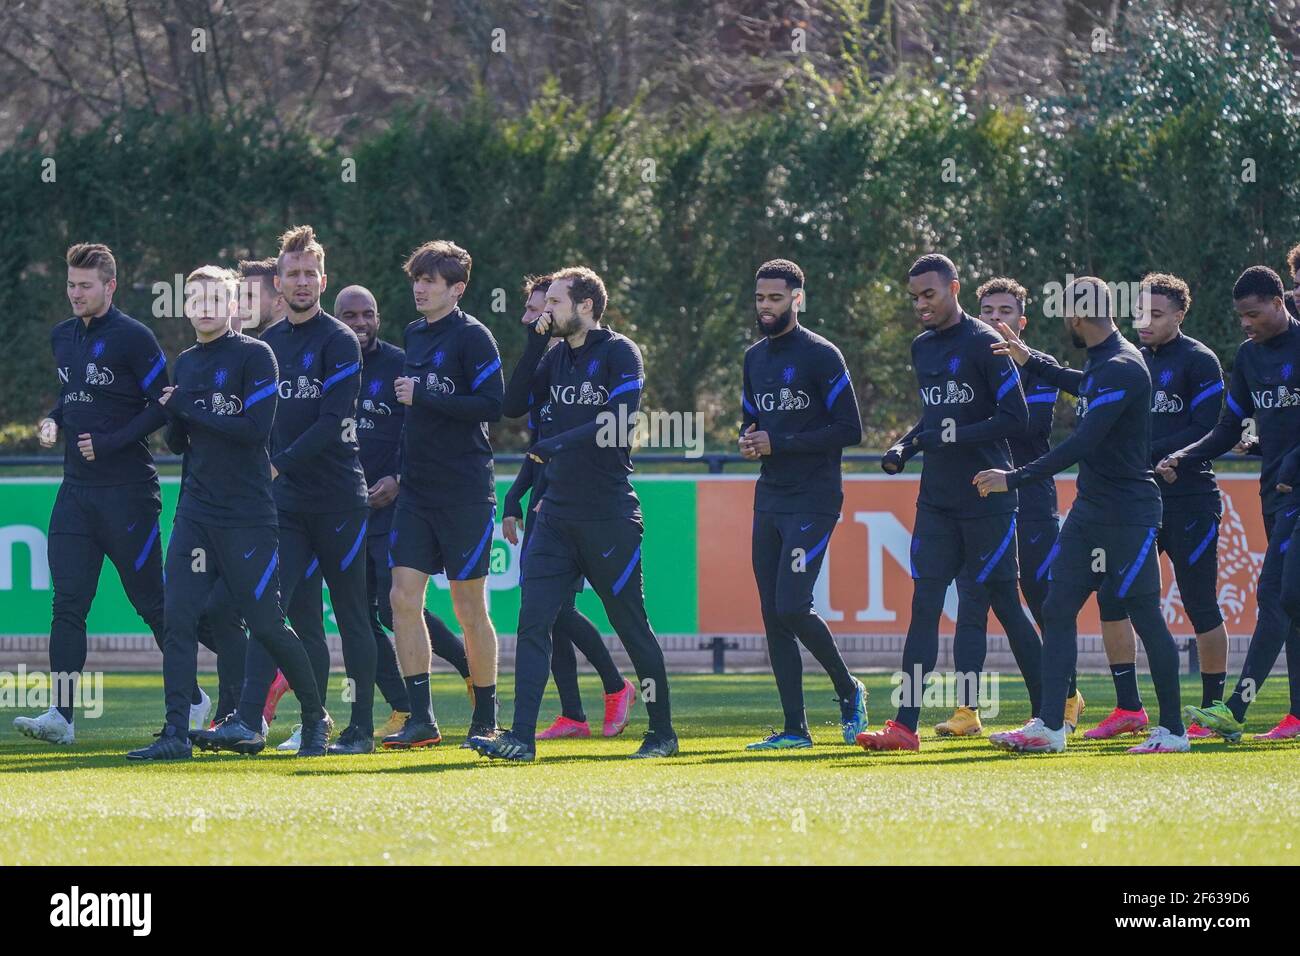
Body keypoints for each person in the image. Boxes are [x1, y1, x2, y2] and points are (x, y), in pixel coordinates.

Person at [976, 276, 1188, 755]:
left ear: (1076, 317)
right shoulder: (1101, 361)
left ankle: (1173, 732)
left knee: (1144, 615)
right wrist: (1031, 361)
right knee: (1056, 607)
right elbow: (1082, 384)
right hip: (1090, 511)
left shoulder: (1123, 366)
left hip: (1129, 515)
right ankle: (1051, 726)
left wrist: (1013, 477)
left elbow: (1081, 443)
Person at [472, 266, 677, 760]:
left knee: (631, 626)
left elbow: (619, 418)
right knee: (534, 621)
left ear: (585, 306)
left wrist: (555, 445)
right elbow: (513, 404)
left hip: (608, 514)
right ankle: (520, 737)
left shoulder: (619, 352)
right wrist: (531, 340)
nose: (547, 312)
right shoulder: (555, 355)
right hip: (557, 514)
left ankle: (662, 733)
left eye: (555, 303)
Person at [126, 267, 328, 760]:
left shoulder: (257, 355)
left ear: (234, 304)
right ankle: (175, 734)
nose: (205, 305)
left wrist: (188, 411)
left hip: (247, 515)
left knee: (265, 623)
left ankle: (315, 719)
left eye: (216, 297)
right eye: (195, 298)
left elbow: (254, 429)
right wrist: (174, 415)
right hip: (196, 511)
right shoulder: (188, 363)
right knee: (178, 618)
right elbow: (180, 441)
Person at [192, 225, 378, 756]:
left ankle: (360, 729)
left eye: (308, 274)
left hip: (340, 500)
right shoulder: (267, 346)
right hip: (286, 508)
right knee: (265, 609)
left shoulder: (339, 340)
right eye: (291, 274)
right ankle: (251, 721)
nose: (300, 282)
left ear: (323, 279)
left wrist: (275, 466)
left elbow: (330, 421)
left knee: (352, 616)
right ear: (278, 281)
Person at [859, 254, 1041, 753]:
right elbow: (932, 417)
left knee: (1005, 603)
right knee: (924, 606)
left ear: (954, 288)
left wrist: (955, 434)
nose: (921, 304)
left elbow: (1016, 417)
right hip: (936, 499)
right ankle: (904, 727)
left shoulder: (986, 341)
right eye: (915, 297)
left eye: (929, 294)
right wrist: (905, 444)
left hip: (988, 495)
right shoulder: (922, 349)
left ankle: (1050, 716)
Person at [14, 243, 191, 745]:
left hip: (129, 494)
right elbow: (72, 397)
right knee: (67, 604)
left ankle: (194, 699)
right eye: (70, 284)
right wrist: (52, 419)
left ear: (109, 286)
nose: (75, 293)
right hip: (76, 494)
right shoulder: (61, 337)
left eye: (85, 286)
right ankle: (62, 716)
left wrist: (111, 441)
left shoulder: (135, 337)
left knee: (150, 603)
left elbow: (164, 403)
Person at [1085, 273, 1230, 740]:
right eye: (1140, 312)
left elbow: (1209, 427)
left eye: (1157, 313)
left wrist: (1160, 456)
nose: (1144, 321)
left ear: (1180, 315)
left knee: (1200, 604)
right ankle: (1129, 708)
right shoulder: (1129, 361)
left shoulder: (1200, 360)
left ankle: (1210, 711)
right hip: (1138, 501)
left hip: (1189, 501)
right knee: (1111, 597)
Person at [1159, 266, 1300, 741]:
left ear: (1279, 304)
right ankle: (1297, 717)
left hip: (1294, 491)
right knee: (1292, 600)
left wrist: (1288, 465)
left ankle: (1235, 709)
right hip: (1275, 494)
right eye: (1241, 315)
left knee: (1274, 594)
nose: (1246, 323)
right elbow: (1228, 427)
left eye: (1253, 314)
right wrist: (1184, 453)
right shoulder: (1247, 357)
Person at [736, 258, 868, 751]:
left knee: (793, 604)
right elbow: (751, 422)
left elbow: (850, 430)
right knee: (773, 613)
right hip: (770, 496)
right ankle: (796, 729)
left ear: (797, 299)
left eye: (775, 298)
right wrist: (749, 440)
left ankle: (848, 689)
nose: (765, 307)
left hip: (814, 498)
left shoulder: (821, 355)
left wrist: (781, 442)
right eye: (759, 298)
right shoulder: (754, 358)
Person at [335, 283, 475, 743]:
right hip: (342, 507)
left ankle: (467, 672)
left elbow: (419, 429)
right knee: (361, 612)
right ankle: (403, 706)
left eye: (367, 314)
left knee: (393, 605)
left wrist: (398, 478)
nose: (359, 323)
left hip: (391, 505)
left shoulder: (398, 362)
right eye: (350, 315)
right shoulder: (329, 361)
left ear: (377, 317)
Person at [500, 275, 636, 740]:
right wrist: (516, 495)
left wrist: (540, 465)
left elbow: (601, 427)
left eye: (545, 307)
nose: (536, 317)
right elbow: (521, 417)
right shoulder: (551, 356)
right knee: (546, 612)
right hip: (547, 486)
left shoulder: (602, 354)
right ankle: (574, 714)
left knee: (554, 609)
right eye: (535, 309)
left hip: (580, 495)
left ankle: (616, 688)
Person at [384, 240, 504, 748]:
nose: (420, 287)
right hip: (417, 492)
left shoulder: (474, 337)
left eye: (431, 280)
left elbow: (493, 405)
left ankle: (486, 717)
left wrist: (428, 394)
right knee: (401, 599)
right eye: (417, 278)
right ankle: (421, 718)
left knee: (468, 607)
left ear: (456, 289)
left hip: (464, 492)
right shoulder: (413, 334)